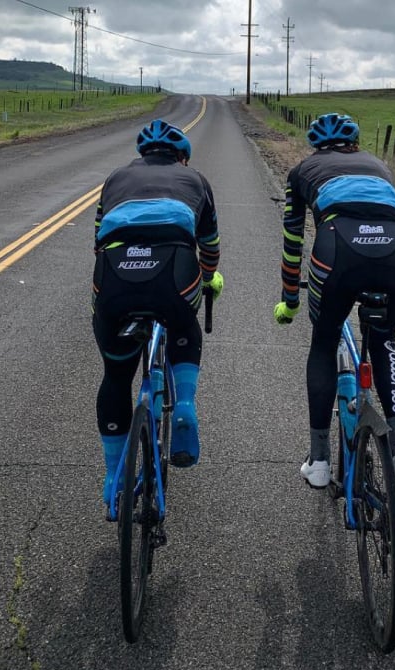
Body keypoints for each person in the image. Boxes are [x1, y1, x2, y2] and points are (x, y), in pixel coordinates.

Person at [274, 112, 395, 497]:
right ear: (355, 145)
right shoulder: (379, 166)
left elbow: (293, 243)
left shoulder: (303, 170)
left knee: (323, 343)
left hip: (337, 250)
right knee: (384, 340)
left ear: (316, 147)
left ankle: (319, 460)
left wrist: (291, 296)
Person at [92, 119, 223, 508]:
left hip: (115, 273)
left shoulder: (115, 178)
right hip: (173, 271)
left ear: (142, 155)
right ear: (182, 158)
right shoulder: (196, 180)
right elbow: (210, 245)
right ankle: (183, 404)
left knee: (116, 374)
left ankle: (115, 475)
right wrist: (210, 278)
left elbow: (97, 241)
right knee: (184, 324)